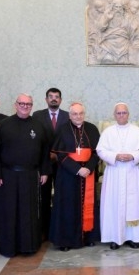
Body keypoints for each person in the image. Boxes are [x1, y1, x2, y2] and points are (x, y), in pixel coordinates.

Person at [0, 94, 51, 257]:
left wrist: (44, 171)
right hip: (8, 175)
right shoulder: (4, 125)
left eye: (28, 104)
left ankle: (28, 246)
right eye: (21, 103)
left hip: (30, 175)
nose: (25, 106)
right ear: (15, 105)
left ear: (32, 106)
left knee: (28, 212)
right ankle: (9, 247)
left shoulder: (38, 125)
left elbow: (45, 152)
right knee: (9, 212)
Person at [50, 102, 101, 250]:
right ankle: (66, 241)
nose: (78, 116)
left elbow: (97, 152)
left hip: (88, 174)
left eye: (81, 113)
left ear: (84, 114)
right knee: (68, 207)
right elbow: (60, 155)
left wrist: (89, 168)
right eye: (74, 114)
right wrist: (78, 169)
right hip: (68, 175)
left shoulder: (91, 128)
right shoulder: (62, 129)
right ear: (69, 115)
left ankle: (88, 236)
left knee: (88, 204)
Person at [97, 103, 139, 249]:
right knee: (114, 204)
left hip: (132, 171)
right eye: (118, 113)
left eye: (124, 113)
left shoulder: (137, 131)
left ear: (128, 114)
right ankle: (115, 237)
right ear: (114, 115)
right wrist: (116, 156)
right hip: (114, 172)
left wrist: (132, 155)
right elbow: (100, 150)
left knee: (132, 205)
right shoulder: (108, 132)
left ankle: (133, 237)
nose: (121, 115)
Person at [33, 87, 70, 239]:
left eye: (57, 97)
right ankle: (44, 230)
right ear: (46, 99)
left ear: (60, 100)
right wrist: (48, 154)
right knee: (44, 196)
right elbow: (35, 138)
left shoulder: (68, 116)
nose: (54, 99)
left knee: (62, 196)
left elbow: (69, 140)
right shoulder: (37, 115)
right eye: (51, 96)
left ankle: (59, 229)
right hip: (44, 162)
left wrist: (58, 154)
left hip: (63, 163)